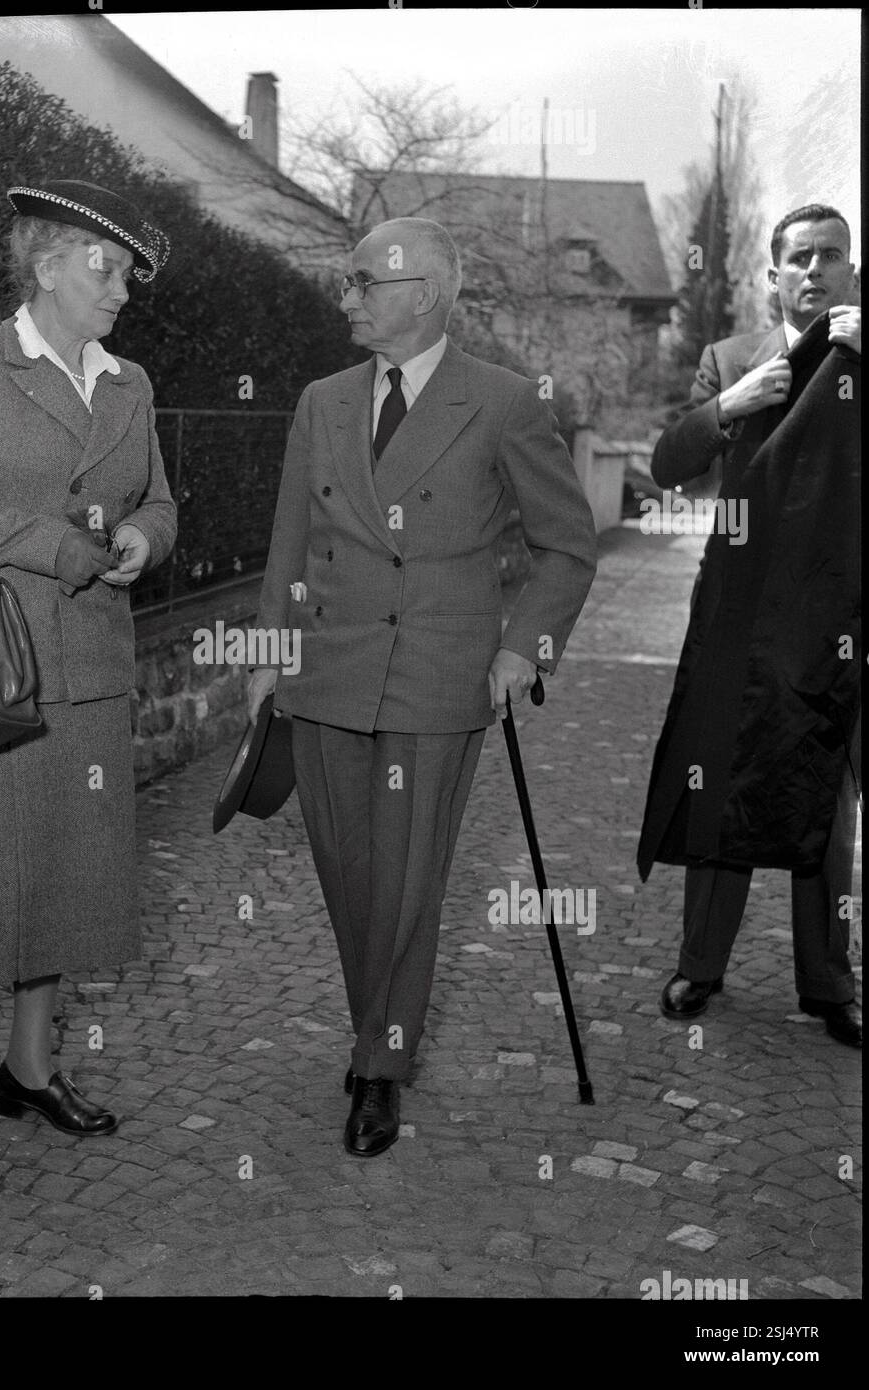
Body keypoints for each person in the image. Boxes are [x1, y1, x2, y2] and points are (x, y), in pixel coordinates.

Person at [247, 217, 598, 1156]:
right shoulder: (321, 401)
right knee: (350, 878)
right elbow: (289, 539)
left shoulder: (504, 401)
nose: (348, 297)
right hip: (324, 672)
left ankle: (379, 1067)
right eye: (350, 281)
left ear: (428, 293)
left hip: (437, 678)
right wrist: (267, 651)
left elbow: (567, 547)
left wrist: (526, 649)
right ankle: (380, 1029)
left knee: (406, 886)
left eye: (366, 281)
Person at [0, 179, 177, 1166]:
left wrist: (142, 534)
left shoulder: (129, 384)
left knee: (59, 869)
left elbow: (162, 501)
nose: (122, 291)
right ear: (47, 261)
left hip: (88, 667)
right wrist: (46, 544)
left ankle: (29, 1068)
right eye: (107, 269)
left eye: (129, 276)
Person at [638, 204, 861, 1048]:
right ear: (772, 276)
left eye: (831, 256)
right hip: (737, 614)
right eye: (798, 257)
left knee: (824, 806)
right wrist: (727, 404)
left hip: (832, 621)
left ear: (850, 270)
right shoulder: (728, 358)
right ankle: (701, 964)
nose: (815, 270)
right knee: (717, 790)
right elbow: (666, 466)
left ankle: (829, 986)